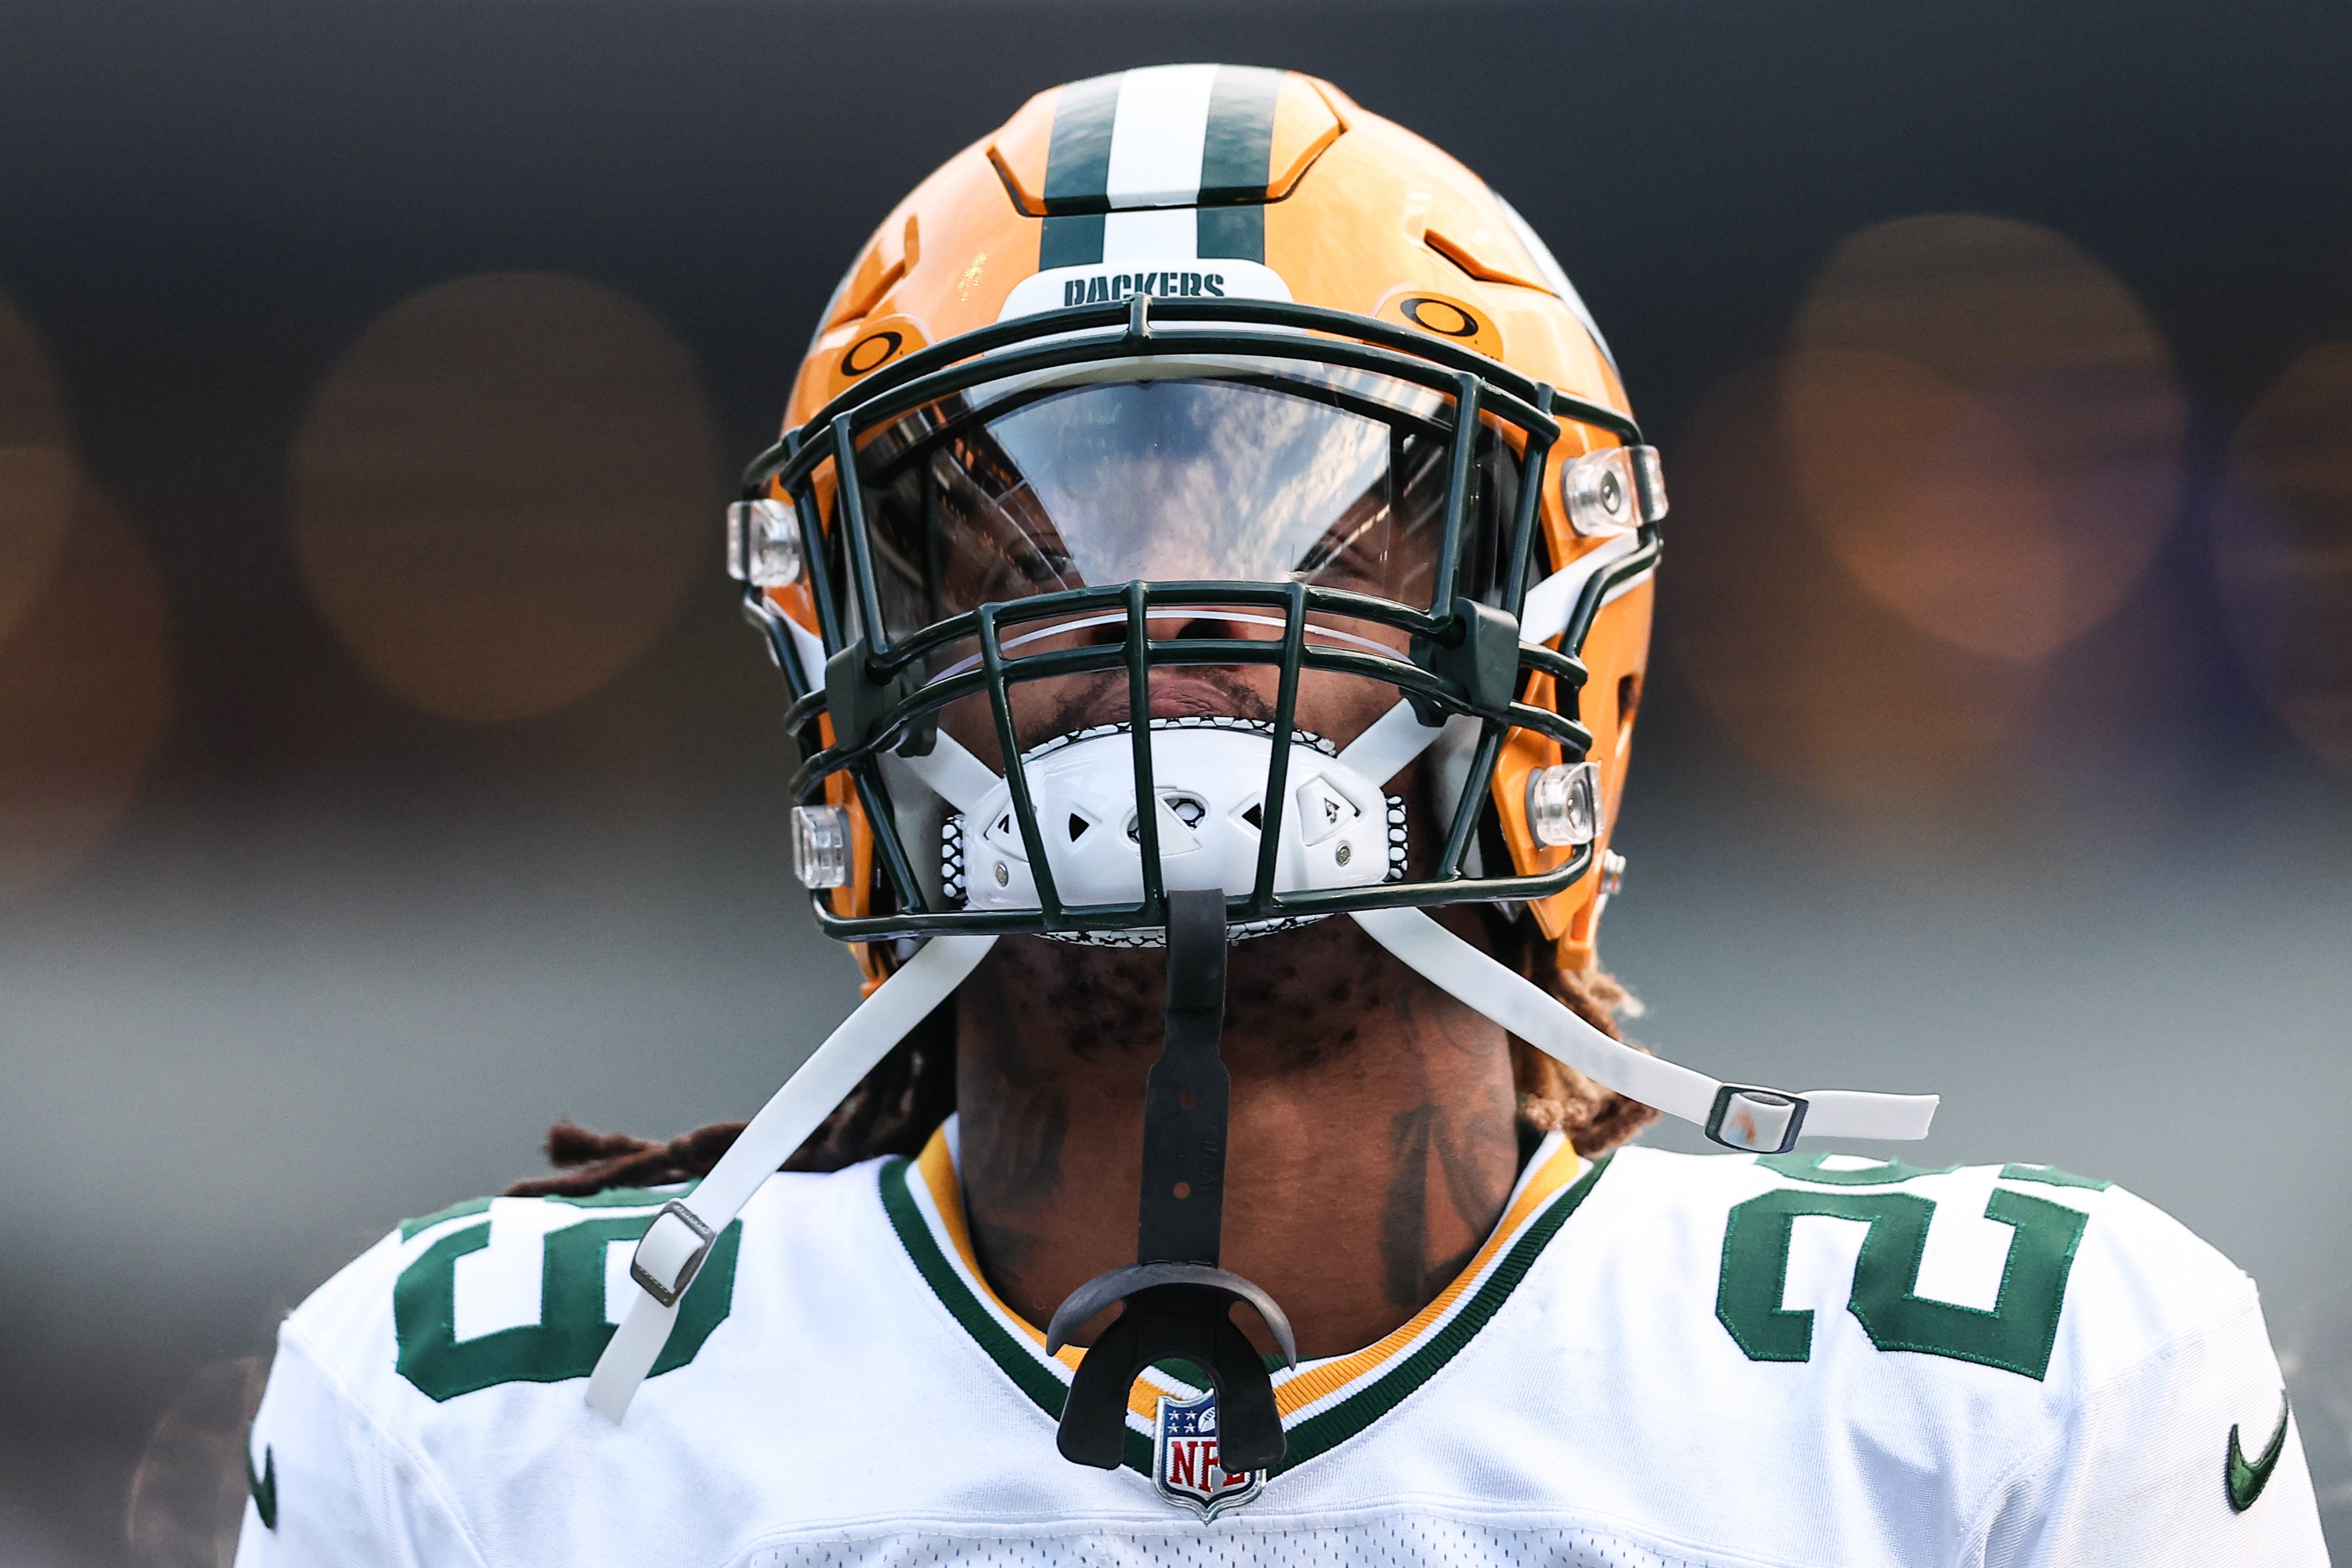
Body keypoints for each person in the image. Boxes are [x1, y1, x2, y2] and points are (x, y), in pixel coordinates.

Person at [235, 64, 2329, 1566]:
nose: (1166, 632)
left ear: (1544, 619)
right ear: (842, 646)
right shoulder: (481, 1426)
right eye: (1028, 536)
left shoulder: (2010, 1383)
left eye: (1301, 516)